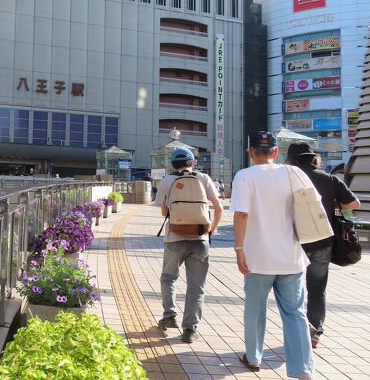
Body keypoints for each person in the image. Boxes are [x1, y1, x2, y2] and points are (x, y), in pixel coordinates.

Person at [230, 131, 314, 379]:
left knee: (255, 310)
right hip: (291, 257)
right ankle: (303, 369)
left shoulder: (245, 176)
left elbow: (241, 214)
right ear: (276, 152)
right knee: (295, 314)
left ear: (250, 152)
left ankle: (254, 358)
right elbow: (312, 204)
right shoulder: (293, 173)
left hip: (257, 258)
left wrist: (238, 249)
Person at [286, 143, 360, 348]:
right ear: (313, 159)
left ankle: (298, 328)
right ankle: (315, 331)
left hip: (293, 240)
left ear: (291, 160)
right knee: (317, 289)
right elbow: (354, 204)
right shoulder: (329, 179)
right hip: (322, 241)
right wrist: (337, 205)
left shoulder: (286, 179)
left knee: (292, 287)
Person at [153, 148, 223, 343]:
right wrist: (212, 229)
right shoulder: (205, 178)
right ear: (192, 163)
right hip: (200, 239)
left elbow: (163, 211)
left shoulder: (167, 180)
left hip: (175, 237)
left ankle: (169, 316)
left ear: (172, 164)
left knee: (168, 278)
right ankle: (190, 330)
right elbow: (218, 208)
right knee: (196, 286)